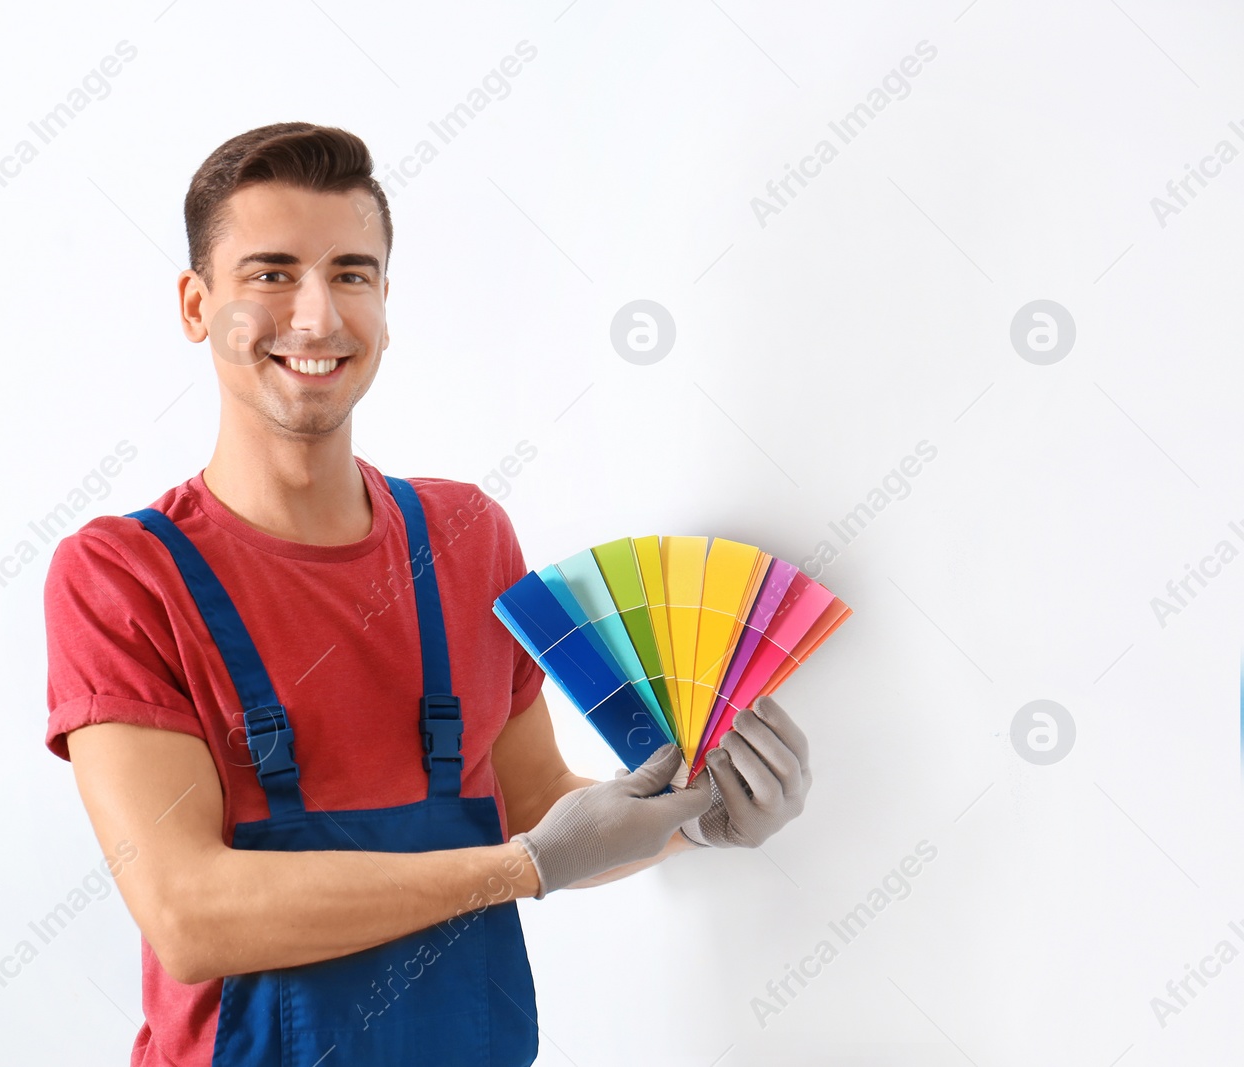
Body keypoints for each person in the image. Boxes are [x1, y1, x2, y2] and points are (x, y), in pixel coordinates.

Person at [42, 121, 813, 1067]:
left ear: (385, 301)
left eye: (351, 273)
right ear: (197, 305)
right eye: (272, 273)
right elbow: (190, 913)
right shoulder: (123, 577)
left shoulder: (465, 537)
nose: (317, 316)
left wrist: (696, 820)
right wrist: (522, 869)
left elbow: (539, 807)